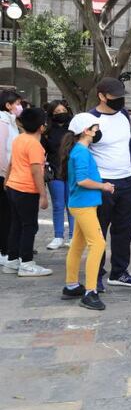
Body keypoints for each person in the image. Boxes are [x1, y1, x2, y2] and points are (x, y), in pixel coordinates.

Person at [90, 78, 131, 290]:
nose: (119, 101)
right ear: (101, 96)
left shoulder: (123, 115)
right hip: (102, 183)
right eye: (114, 97)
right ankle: (96, 274)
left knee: (124, 229)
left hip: (128, 181)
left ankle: (119, 272)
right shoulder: (89, 119)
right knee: (99, 231)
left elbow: (130, 145)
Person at [60, 113, 113, 310]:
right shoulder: (81, 152)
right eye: (95, 128)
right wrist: (104, 186)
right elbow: (82, 180)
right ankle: (90, 292)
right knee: (98, 243)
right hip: (83, 205)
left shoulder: (78, 150)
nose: (97, 131)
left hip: (80, 204)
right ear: (86, 131)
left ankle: (71, 285)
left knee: (78, 245)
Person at [4, 107, 51, 276]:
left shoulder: (19, 139)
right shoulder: (35, 145)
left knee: (16, 225)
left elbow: (11, 162)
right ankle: (26, 263)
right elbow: (36, 171)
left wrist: (7, 181)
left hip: (13, 187)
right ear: (42, 127)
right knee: (29, 226)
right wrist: (43, 195)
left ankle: (12, 260)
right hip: (26, 190)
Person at [43, 100, 75, 250]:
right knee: (58, 204)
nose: (60, 113)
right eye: (56, 112)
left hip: (72, 171)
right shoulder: (48, 131)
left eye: (62, 110)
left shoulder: (74, 128)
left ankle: (73, 236)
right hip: (55, 171)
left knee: (71, 205)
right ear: (51, 114)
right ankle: (58, 236)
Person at [0, 89, 22, 270]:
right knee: (5, 215)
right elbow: (2, 152)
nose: (19, 106)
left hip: (10, 174)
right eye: (16, 103)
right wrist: (5, 175)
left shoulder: (12, 122)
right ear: (8, 105)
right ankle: (4, 251)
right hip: (4, 176)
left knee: (9, 213)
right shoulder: (2, 122)